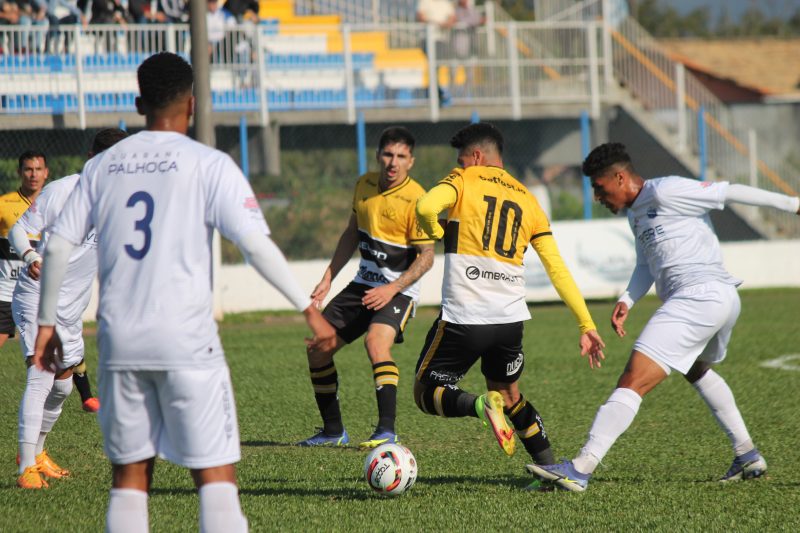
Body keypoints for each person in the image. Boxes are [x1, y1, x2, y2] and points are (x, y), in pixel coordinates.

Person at [32, 52, 336, 532]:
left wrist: (46, 324)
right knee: (215, 477)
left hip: (120, 344)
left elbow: (59, 245)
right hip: (187, 341)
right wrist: (307, 309)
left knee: (130, 476)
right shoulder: (208, 164)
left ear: (138, 103)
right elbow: (255, 246)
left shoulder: (102, 168)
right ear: (192, 105)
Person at [527, 142, 800, 492]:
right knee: (695, 368)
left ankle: (580, 468)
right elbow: (646, 264)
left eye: (599, 186)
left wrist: (793, 204)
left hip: (699, 297)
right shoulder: (634, 214)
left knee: (632, 379)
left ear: (620, 177)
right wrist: (628, 298)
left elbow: (729, 192)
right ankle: (747, 454)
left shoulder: (666, 190)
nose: (597, 195)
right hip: (718, 301)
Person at [413, 122, 605, 487]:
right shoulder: (527, 198)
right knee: (510, 393)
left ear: (476, 156)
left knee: (425, 392)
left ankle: (480, 406)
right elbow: (557, 268)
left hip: (465, 316)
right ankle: (549, 469)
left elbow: (425, 206)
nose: (460, 164)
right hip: (509, 321)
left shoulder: (463, 179)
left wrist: (435, 231)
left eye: (461, 159)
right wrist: (585, 324)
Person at [298, 126, 435, 449]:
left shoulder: (418, 199)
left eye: (401, 156)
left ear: (411, 161)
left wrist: (392, 290)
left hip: (398, 291)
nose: (393, 162)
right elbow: (350, 233)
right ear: (378, 156)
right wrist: (329, 277)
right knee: (318, 348)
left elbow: (427, 256)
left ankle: (386, 431)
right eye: (388, 154)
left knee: (376, 343)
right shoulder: (364, 184)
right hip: (362, 284)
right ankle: (333, 432)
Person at [13, 128, 128, 490]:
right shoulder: (62, 190)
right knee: (42, 374)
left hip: (71, 309)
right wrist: (30, 255)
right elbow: (20, 229)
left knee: (63, 387)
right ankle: (25, 467)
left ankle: (39, 453)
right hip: (36, 295)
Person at [0, 151, 48, 352]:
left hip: (41, 292)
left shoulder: (55, 204)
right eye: (28, 169)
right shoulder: (4, 205)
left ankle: (85, 385)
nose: (33, 175)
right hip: (6, 291)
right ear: (19, 172)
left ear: (46, 173)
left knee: (61, 355)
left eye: (38, 169)